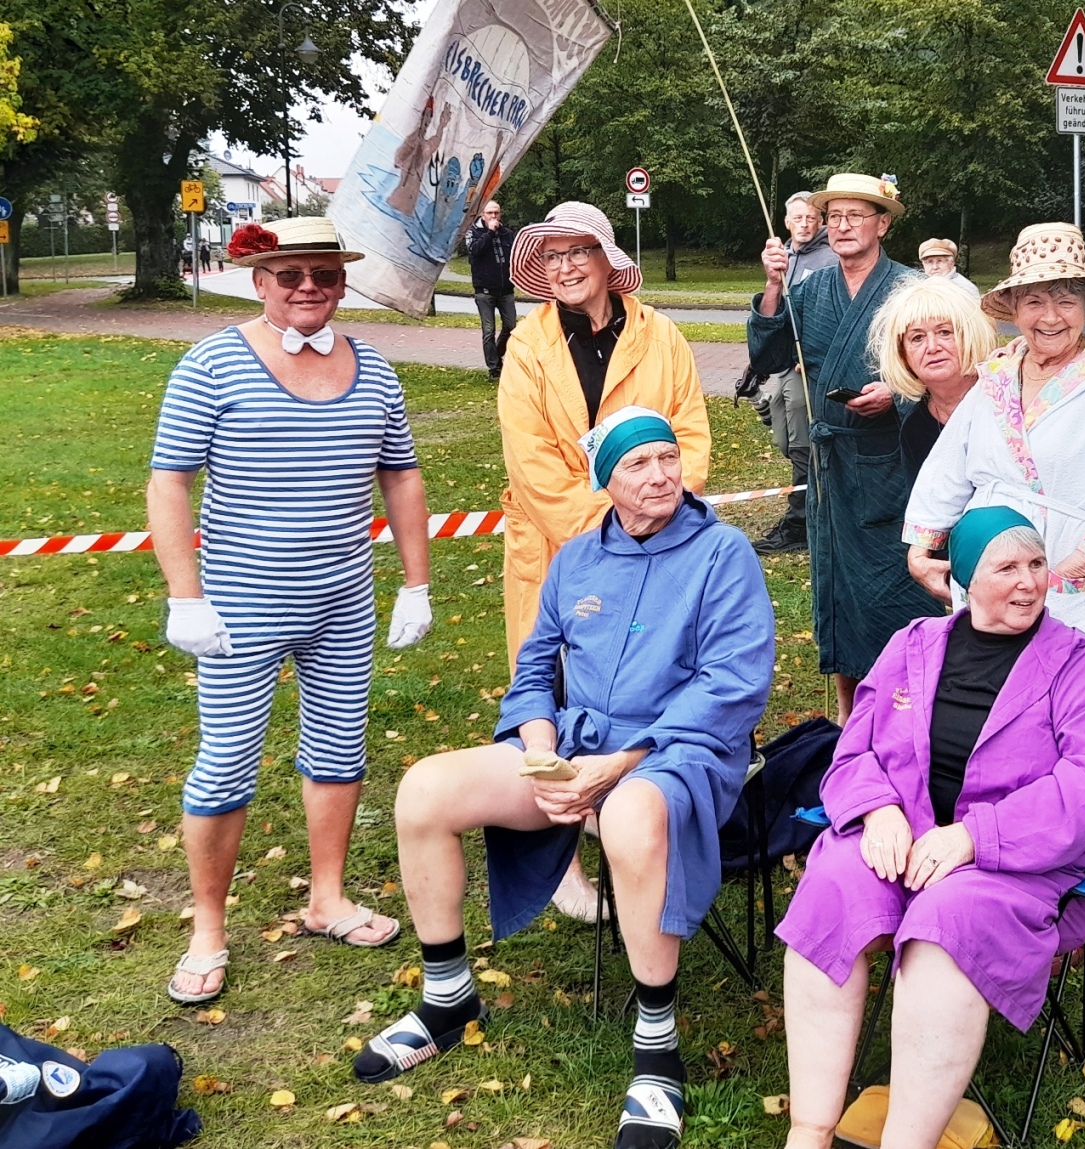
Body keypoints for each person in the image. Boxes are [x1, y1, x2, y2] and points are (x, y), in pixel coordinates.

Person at [354, 408, 775, 1149]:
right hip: (578, 747)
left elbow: (732, 686)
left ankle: (656, 1047)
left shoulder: (722, 552)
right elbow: (533, 673)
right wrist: (544, 756)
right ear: (605, 480)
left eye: (667, 457)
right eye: (638, 464)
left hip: (681, 752)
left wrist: (620, 763)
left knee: (628, 815)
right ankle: (448, 998)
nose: (660, 474)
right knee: (424, 787)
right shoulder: (576, 559)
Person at [776, 507, 1085, 1149]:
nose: (1029, 582)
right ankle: (809, 1131)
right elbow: (854, 748)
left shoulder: (1075, 662)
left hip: (1016, 862)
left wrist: (974, 838)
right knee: (833, 886)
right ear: (966, 580)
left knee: (945, 924)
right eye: (1006, 567)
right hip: (902, 838)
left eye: (1036, 564)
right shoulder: (913, 645)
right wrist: (878, 808)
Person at [146, 217, 433, 1004]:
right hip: (240, 604)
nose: (309, 287)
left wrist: (417, 582)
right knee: (226, 760)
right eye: (291, 274)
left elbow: (401, 475)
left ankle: (327, 896)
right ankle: (208, 926)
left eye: (325, 275)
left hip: (342, 597)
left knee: (340, 748)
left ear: (343, 283)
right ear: (259, 279)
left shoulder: (374, 369)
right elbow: (169, 481)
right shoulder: (211, 365)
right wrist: (185, 595)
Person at [903, 223, 1085, 880]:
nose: (1048, 315)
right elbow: (951, 464)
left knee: (1080, 709)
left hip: (1078, 577)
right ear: (1014, 308)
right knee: (996, 704)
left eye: (1064, 298)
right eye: (1033, 300)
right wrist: (923, 541)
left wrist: (1072, 569)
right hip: (995, 570)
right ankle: (997, 830)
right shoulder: (995, 377)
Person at [499, 200, 711, 920]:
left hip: (657, 549)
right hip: (560, 550)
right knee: (553, 698)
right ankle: (562, 862)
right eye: (551, 257)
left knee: (647, 687)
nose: (563, 267)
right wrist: (613, 519)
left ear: (605, 260)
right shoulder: (527, 347)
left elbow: (690, 436)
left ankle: (641, 828)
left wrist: (650, 514)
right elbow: (530, 463)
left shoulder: (662, 337)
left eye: (576, 252)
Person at [748, 172, 942, 725]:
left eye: (856, 216)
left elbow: (947, 370)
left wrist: (898, 395)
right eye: (834, 217)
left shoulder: (910, 290)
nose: (842, 226)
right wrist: (773, 286)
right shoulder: (810, 288)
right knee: (838, 585)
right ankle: (847, 713)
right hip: (830, 466)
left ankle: (911, 708)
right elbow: (768, 355)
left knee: (901, 583)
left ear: (882, 224)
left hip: (895, 464)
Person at [750, 191, 840, 555]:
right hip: (786, 364)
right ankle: (811, 499)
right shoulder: (782, 256)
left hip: (811, 369)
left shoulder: (831, 256)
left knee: (804, 441)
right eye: (797, 219)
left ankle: (803, 518)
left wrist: (817, 351)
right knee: (785, 440)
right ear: (786, 222)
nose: (804, 225)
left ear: (819, 222)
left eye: (811, 219)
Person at [867, 275, 997, 484]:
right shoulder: (915, 428)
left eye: (945, 332)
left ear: (970, 335)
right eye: (917, 338)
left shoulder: (1005, 399)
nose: (933, 347)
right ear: (902, 353)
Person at [466, 199, 517, 382]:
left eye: (496, 212)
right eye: (490, 213)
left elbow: (515, 256)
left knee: (511, 326)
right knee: (488, 329)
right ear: (483, 215)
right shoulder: (473, 232)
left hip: (506, 290)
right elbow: (474, 251)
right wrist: (489, 232)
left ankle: (496, 353)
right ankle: (494, 369)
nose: (494, 216)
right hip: (484, 290)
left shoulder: (507, 234)